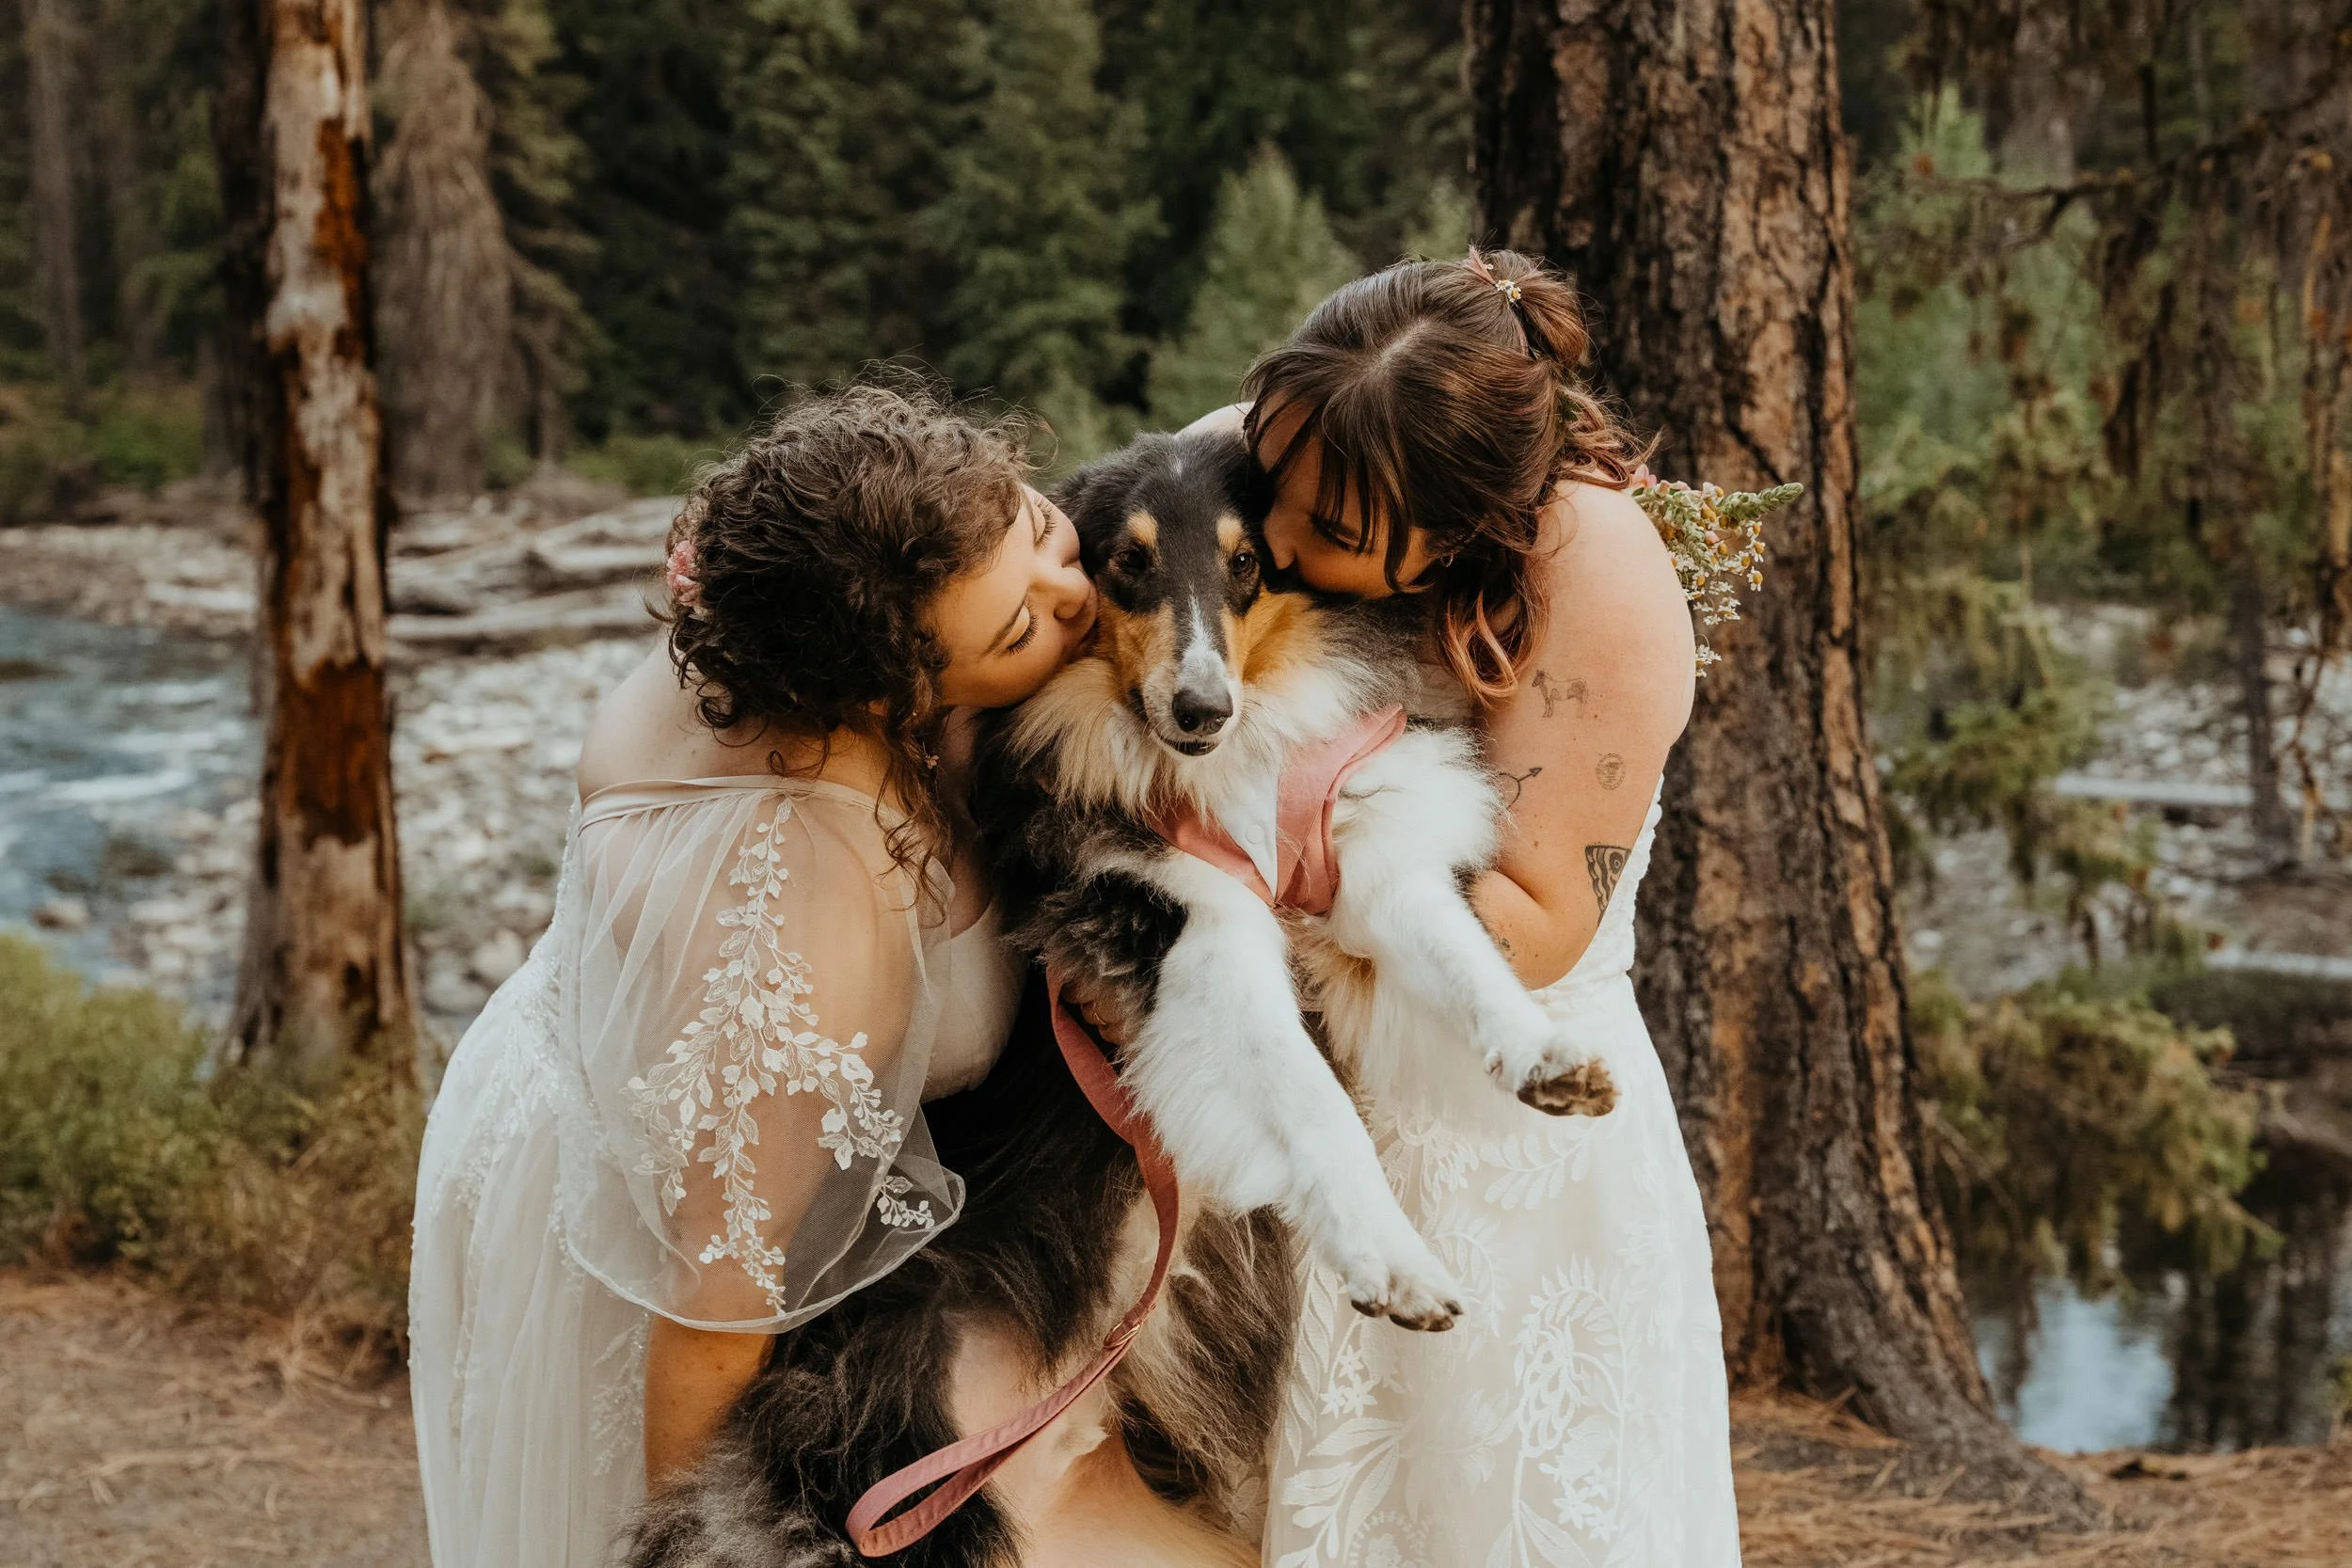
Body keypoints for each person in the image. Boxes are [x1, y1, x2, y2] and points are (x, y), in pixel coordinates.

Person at [408, 384, 1247, 1568]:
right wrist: (693, 1546)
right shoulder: (809, 916)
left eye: (1039, 528)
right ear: (896, 696)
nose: (1080, 594)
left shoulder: (825, 562)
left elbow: (1182, 466)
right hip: (662, 1205)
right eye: (1020, 629)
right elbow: (716, 1306)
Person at [1208, 250, 1741, 1567]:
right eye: (1278, 490)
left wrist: (1219, 913)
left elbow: (1539, 914)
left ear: (1460, 527)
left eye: (1329, 533)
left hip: (1501, 1150)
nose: (1273, 545)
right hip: (1292, 1135)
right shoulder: (1290, 451)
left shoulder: (1598, 574)